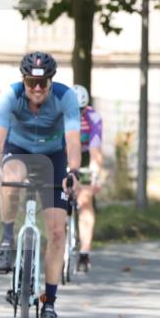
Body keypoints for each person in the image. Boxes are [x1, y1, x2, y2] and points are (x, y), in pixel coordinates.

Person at [0, 52, 81, 318]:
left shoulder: (66, 97)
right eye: (30, 83)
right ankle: (6, 240)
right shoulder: (10, 96)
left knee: (57, 231)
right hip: (20, 151)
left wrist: (73, 172)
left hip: (54, 157)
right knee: (10, 177)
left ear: (51, 82)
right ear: (23, 81)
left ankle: (49, 303)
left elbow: (73, 140)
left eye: (43, 84)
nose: (37, 89)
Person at [70, 85, 105, 273]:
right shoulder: (58, 116)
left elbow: (95, 153)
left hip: (84, 156)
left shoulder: (93, 118)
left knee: (85, 200)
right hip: (64, 154)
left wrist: (95, 176)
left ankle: (84, 252)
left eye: (80, 110)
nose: (77, 113)